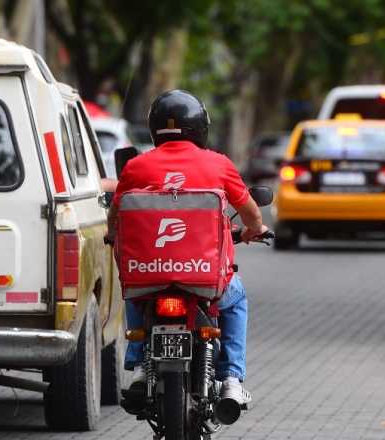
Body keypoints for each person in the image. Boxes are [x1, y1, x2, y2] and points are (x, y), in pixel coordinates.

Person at [107, 89, 269, 411]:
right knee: (236, 298)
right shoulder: (218, 164)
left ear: (154, 128)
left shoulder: (136, 167)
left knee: (134, 290)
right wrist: (255, 230)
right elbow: (251, 213)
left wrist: (114, 239)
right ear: (200, 128)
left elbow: (115, 219)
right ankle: (233, 380)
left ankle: (140, 369)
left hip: (148, 279)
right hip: (204, 280)